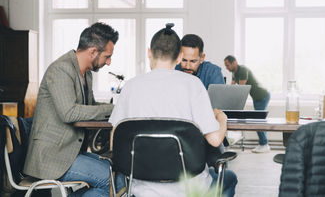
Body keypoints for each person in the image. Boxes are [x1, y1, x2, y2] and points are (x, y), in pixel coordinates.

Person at [109, 24, 237, 197]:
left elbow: (114, 142)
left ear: (149, 53)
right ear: (179, 57)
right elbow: (215, 140)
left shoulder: (131, 86)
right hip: (189, 189)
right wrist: (221, 117)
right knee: (229, 178)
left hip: (141, 188)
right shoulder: (193, 85)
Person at [23, 22, 125, 197]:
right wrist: (112, 108)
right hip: (52, 158)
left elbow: (90, 107)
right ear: (93, 51)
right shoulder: (62, 69)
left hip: (68, 153)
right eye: (107, 56)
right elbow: (69, 113)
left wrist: (120, 108)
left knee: (119, 173)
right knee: (112, 180)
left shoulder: (86, 74)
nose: (109, 63)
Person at [224, 55, 271, 153]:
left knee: (258, 121)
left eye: (228, 65)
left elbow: (241, 89)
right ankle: (263, 143)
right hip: (257, 98)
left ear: (234, 63)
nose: (226, 68)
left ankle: (264, 144)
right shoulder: (234, 72)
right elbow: (232, 88)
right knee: (259, 120)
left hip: (262, 96)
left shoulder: (242, 70)